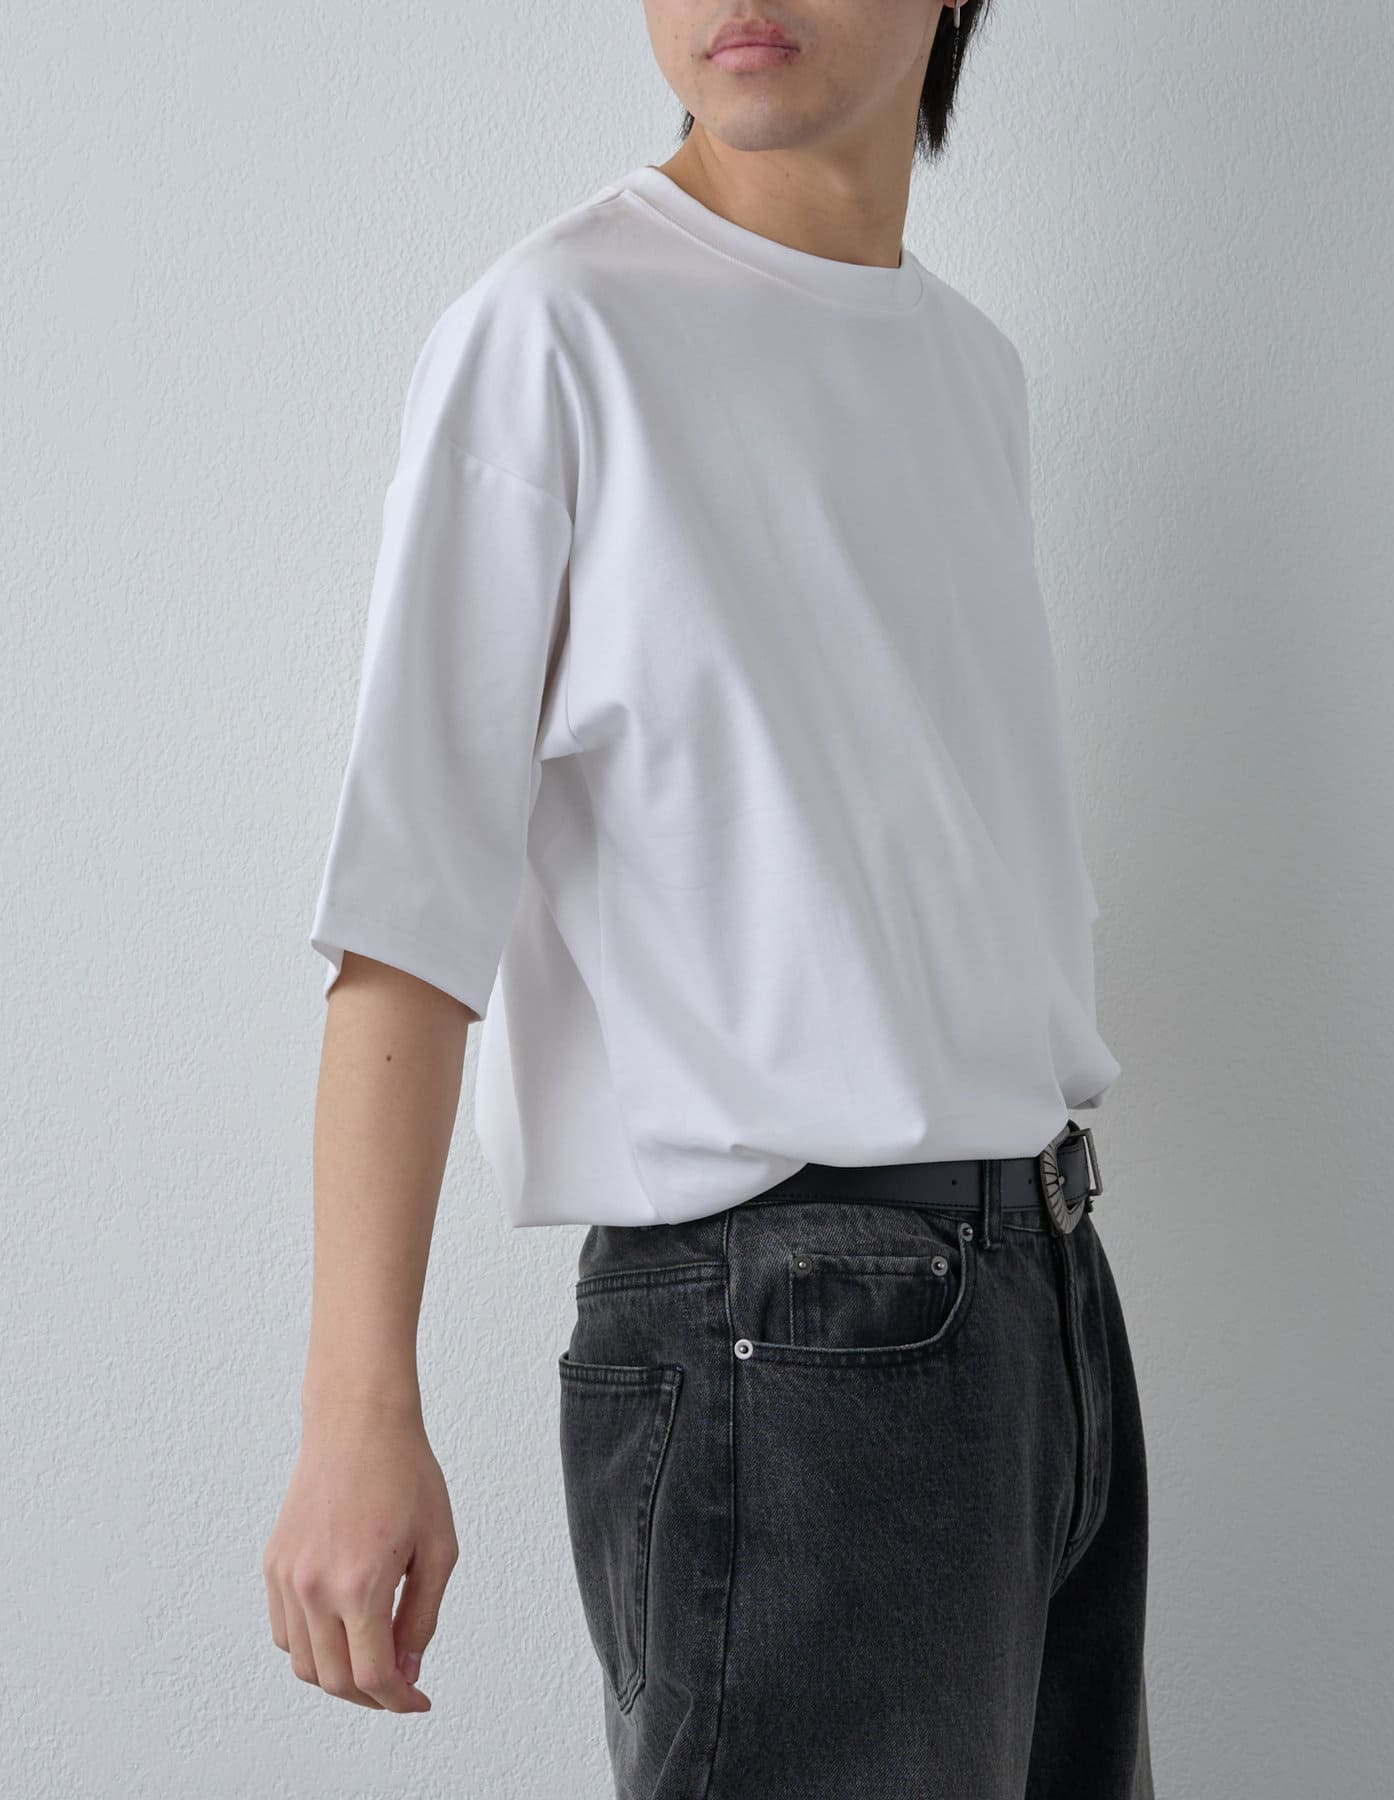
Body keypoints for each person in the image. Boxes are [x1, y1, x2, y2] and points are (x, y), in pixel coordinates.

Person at [263, 2, 1153, 1794]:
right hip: (789, 1331)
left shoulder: (972, 370)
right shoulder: (557, 329)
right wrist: (356, 1411)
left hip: (1047, 1303)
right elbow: (410, 911)